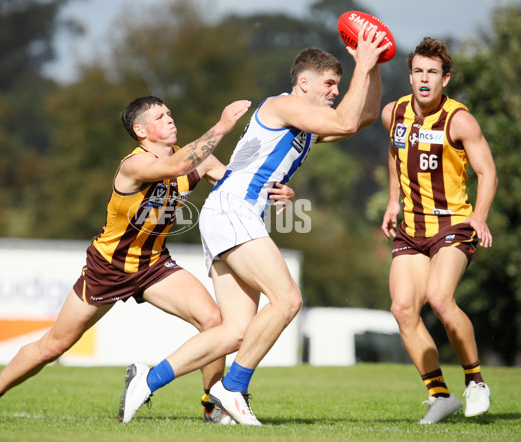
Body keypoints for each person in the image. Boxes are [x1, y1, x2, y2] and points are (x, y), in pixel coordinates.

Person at [0, 96, 294, 424]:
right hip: (108, 268)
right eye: (160, 116)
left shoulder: (193, 156)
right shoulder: (135, 164)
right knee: (55, 345)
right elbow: (173, 165)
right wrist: (219, 129)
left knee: (215, 321)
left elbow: (236, 183)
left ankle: (211, 404)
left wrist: (281, 190)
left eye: (169, 113)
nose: (170, 119)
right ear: (141, 131)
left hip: (154, 265)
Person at [120, 24, 389, 425]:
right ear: (303, 83)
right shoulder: (282, 106)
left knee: (236, 333)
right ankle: (233, 388)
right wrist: (364, 61)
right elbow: (346, 123)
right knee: (289, 300)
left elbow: (364, 115)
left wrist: (376, 66)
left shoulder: (306, 122)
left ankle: (148, 377)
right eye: (330, 84)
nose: (335, 91)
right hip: (233, 210)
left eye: (338, 84)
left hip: (228, 212)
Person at [380, 37, 498, 424]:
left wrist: (479, 216)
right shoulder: (392, 113)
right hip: (411, 229)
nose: (424, 79)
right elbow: (396, 156)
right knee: (402, 309)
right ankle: (440, 395)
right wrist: (393, 201)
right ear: (410, 75)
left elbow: (487, 172)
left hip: (453, 225)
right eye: (418, 71)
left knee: (440, 298)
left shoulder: (459, 119)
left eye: (432, 72)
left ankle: (476, 382)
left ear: (445, 79)